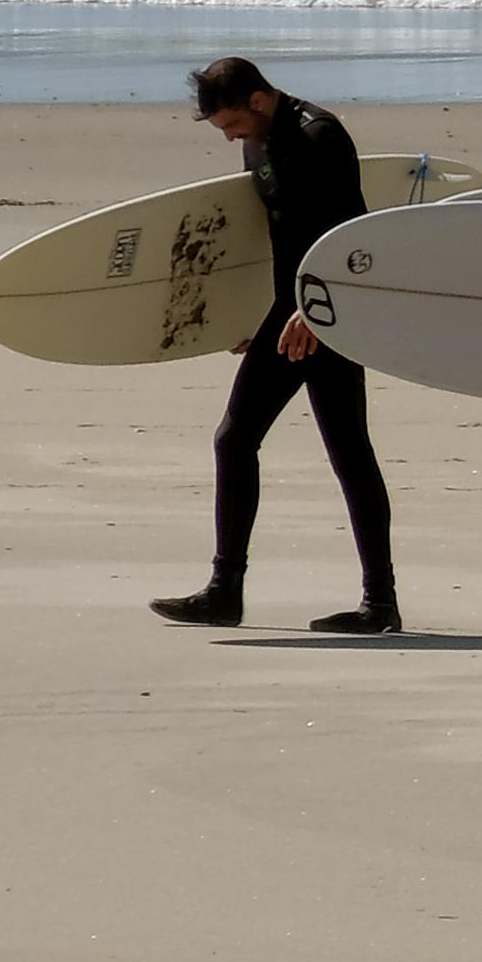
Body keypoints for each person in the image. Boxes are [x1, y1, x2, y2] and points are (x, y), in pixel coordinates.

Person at [151, 56, 398, 634]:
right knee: (241, 440)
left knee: (340, 453)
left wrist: (314, 316)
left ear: (258, 100)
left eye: (234, 124)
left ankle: (375, 602)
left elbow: (343, 234)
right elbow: (278, 240)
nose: (233, 137)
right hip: (288, 316)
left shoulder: (319, 136)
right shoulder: (256, 144)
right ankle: (228, 590)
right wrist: (250, 316)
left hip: (326, 317)